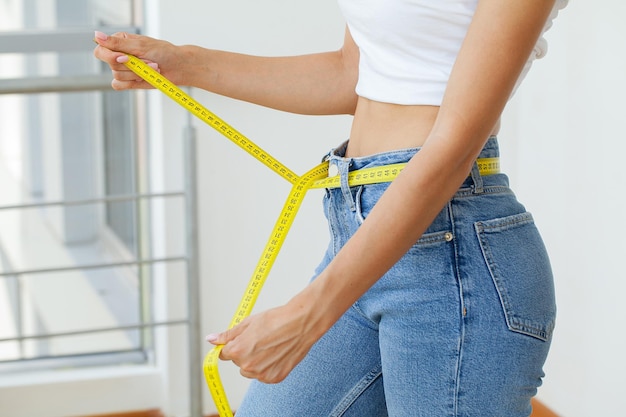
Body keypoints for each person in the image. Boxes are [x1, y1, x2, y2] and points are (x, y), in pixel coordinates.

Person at [94, 0, 567, 415]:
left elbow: (452, 150)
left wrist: (308, 314)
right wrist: (183, 63)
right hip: (361, 230)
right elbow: (351, 75)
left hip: (454, 256)